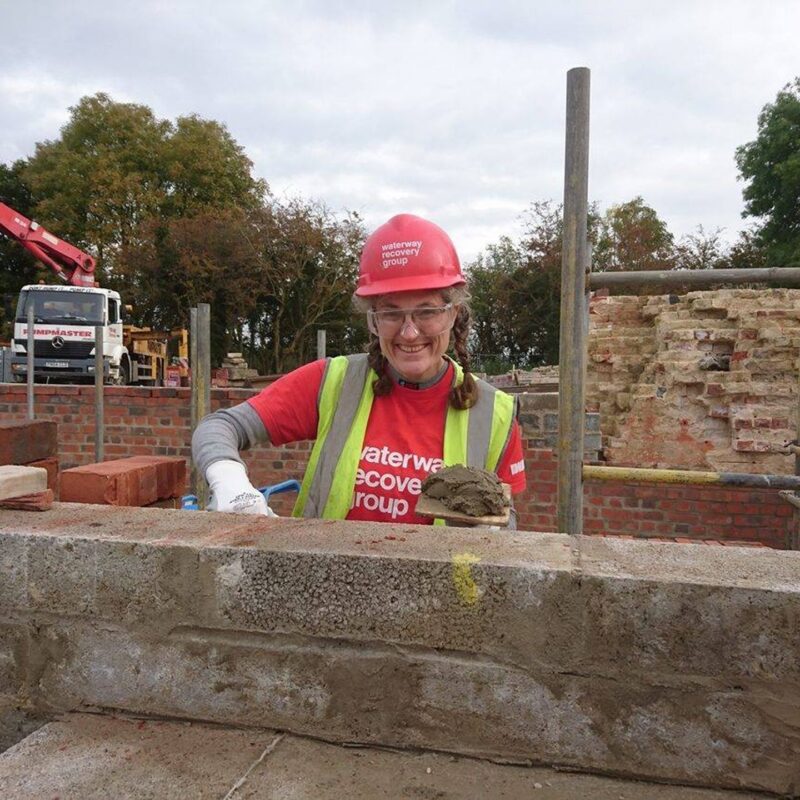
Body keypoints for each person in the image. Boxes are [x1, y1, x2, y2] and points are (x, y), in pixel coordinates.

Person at [192, 213, 526, 526]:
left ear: (453, 314)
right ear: (373, 320)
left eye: (426, 311)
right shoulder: (334, 382)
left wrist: (493, 532)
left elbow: (506, 523)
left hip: (438, 590)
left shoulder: (493, 413)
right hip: (324, 585)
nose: (409, 333)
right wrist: (229, 480)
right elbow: (219, 426)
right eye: (391, 314)